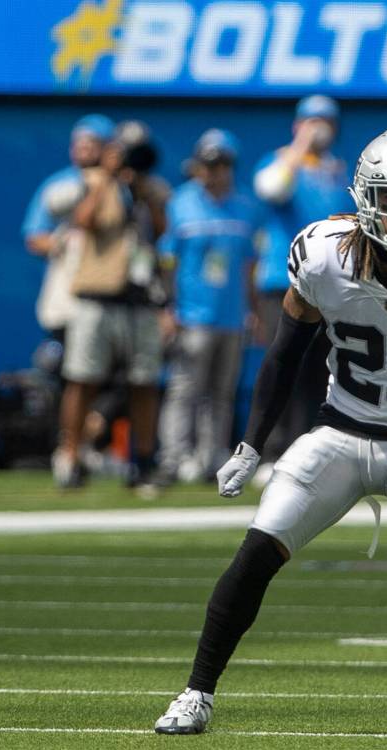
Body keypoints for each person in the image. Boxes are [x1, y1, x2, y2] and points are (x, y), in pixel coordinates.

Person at [154, 128, 387, 739]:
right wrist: (251, 444)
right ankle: (195, 693)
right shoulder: (323, 253)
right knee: (258, 549)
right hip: (341, 432)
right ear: (363, 196)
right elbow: (284, 354)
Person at [51, 124, 167, 492]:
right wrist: (107, 179)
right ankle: (70, 455)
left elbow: (162, 231)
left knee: (144, 382)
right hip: (97, 295)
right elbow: (81, 223)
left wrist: (142, 191)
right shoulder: (93, 182)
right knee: (83, 379)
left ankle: (143, 462)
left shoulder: (152, 189)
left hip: (141, 297)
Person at [251, 95, 351, 485]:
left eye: (325, 121)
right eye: (310, 121)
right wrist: (298, 151)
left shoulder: (336, 172)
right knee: (283, 364)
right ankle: (270, 450)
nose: (318, 127)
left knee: (317, 371)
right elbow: (271, 188)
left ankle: (303, 448)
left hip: (328, 285)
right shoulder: (280, 163)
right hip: (282, 281)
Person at [156, 130, 259, 484]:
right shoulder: (181, 203)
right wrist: (167, 308)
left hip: (231, 317)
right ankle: (174, 457)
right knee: (185, 389)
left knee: (222, 393)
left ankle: (210, 456)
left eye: (222, 164)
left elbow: (249, 264)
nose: (215, 171)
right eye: (209, 164)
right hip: (192, 315)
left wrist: (253, 309)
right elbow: (167, 261)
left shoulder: (245, 206)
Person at [22, 114, 115, 342]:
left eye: (92, 143)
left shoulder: (122, 186)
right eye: (79, 143)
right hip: (68, 293)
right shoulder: (59, 185)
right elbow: (34, 237)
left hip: (113, 296)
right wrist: (65, 243)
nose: (84, 149)